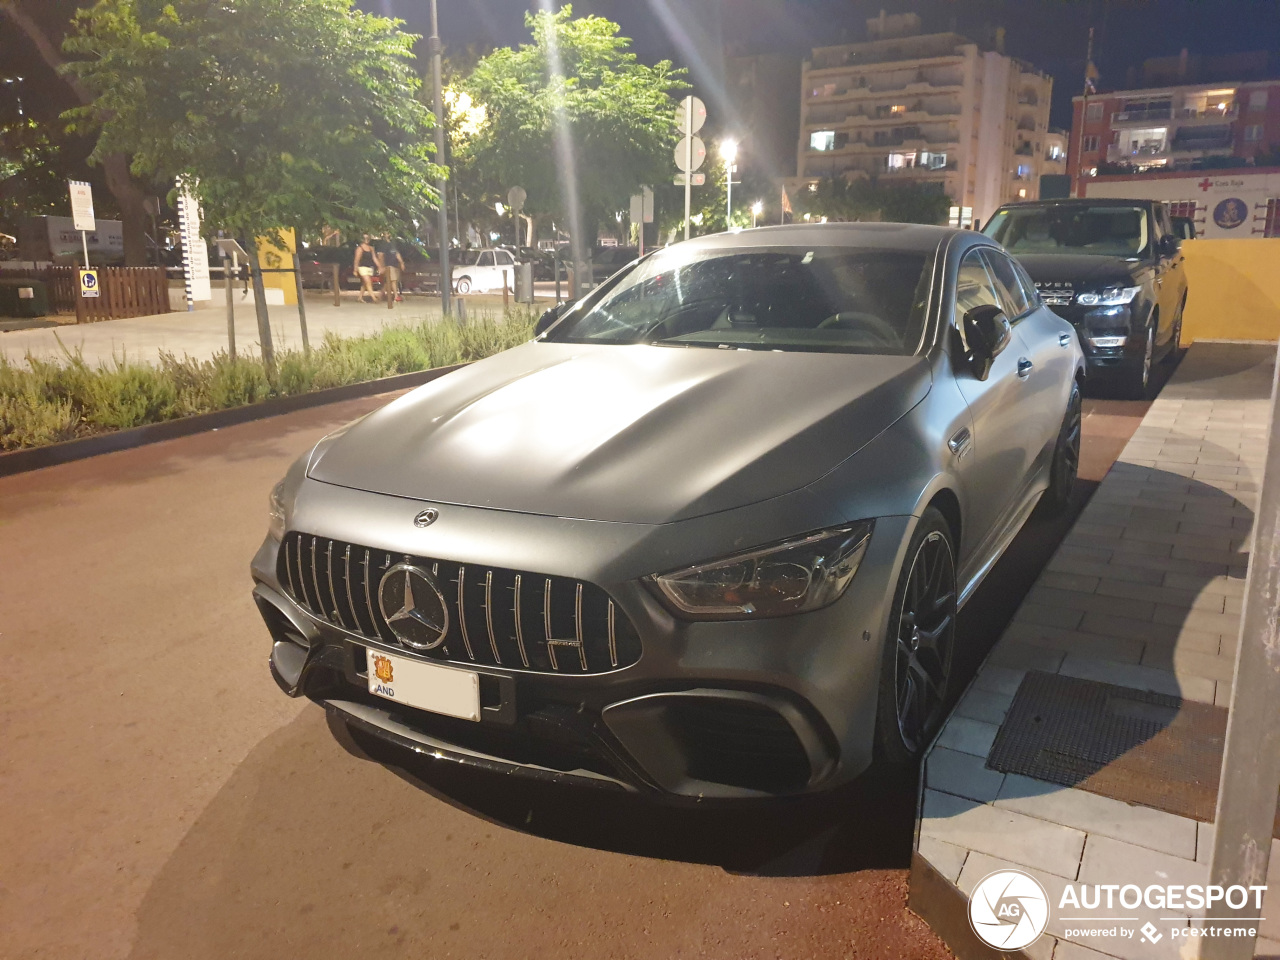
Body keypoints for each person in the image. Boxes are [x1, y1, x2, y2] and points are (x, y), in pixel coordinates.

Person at [376, 235, 406, 303]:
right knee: (393, 280)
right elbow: (380, 256)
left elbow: (397, 254)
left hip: (395, 265)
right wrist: (381, 267)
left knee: (389, 282)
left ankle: (380, 295)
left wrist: (401, 263)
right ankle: (396, 296)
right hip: (388, 265)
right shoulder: (383, 244)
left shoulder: (393, 244)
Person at [353, 234, 379, 303]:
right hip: (362, 267)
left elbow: (374, 258)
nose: (366, 239)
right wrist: (355, 270)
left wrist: (379, 266)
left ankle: (360, 298)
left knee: (365, 283)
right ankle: (374, 298)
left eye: (367, 238)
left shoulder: (371, 248)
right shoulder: (360, 248)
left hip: (369, 267)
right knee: (368, 282)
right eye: (364, 238)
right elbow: (356, 260)